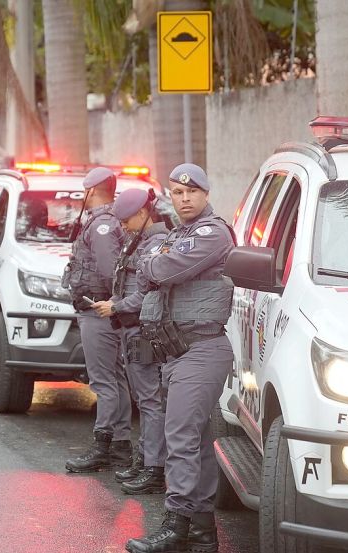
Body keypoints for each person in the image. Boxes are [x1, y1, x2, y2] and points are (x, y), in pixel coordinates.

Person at [124, 164, 234, 553]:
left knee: (181, 441)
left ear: (205, 193)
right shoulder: (177, 234)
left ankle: (176, 527)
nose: (184, 198)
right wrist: (154, 265)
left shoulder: (211, 232)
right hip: (177, 355)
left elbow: (163, 267)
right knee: (195, 443)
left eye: (191, 192)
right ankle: (202, 534)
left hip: (201, 351)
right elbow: (147, 270)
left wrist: (155, 264)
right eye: (177, 192)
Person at [91, 188, 169, 494]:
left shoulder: (156, 243)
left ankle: (155, 468)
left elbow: (148, 291)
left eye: (126, 220)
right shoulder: (140, 241)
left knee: (150, 401)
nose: (122, 226)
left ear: (142, 213)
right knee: (144, 399)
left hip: (144, 330)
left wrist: (117, 306)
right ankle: (145, 460)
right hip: (133, 329)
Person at [60, 167, 132, 473]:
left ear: (93, 190)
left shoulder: (102, 224)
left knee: (104, 381)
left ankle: (104, 445)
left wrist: (111, 303)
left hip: (98, 311)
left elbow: (109, 270)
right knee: (115, 378)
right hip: (105, 311)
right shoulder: (112, 220)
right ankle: (121, 444)